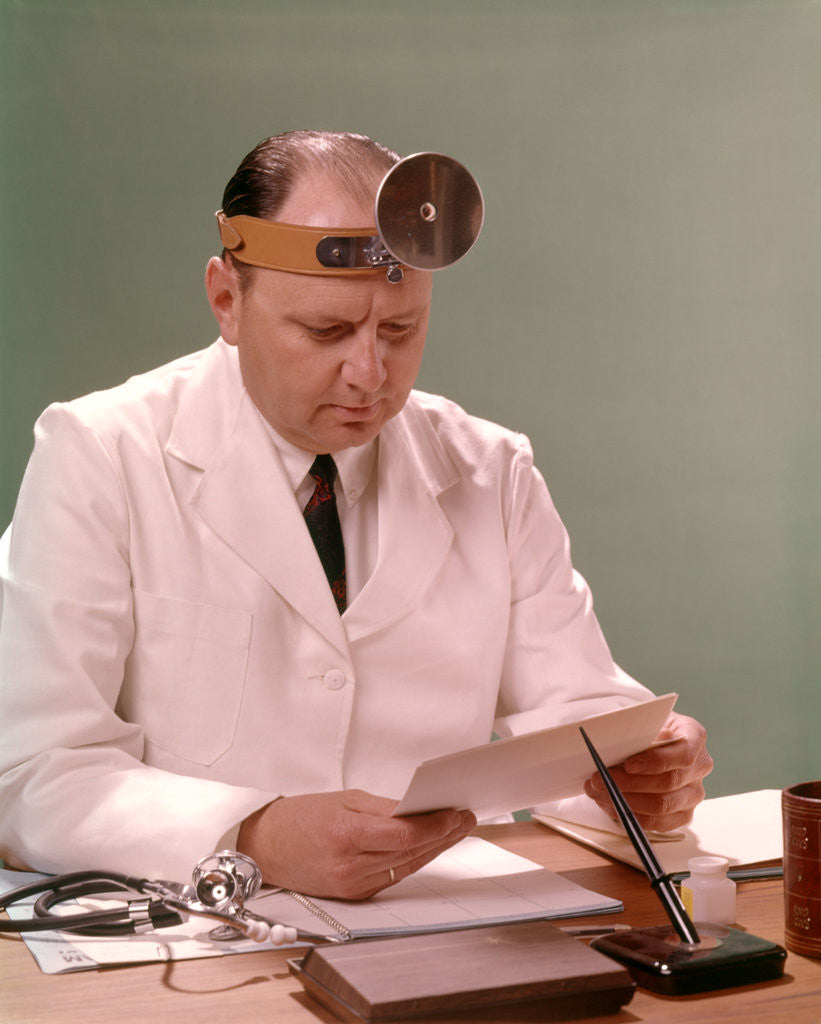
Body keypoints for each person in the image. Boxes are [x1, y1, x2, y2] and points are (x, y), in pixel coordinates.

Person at [0, 130, 712, 899]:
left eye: (400, 330)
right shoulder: (100, 454)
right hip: (203, 939)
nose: (369, 373)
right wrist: (254, 836)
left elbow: (578, 704)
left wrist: (635, 769)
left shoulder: (488, 468)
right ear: (226, 301)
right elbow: (29, 769)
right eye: (325, 331)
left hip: (442, 924)